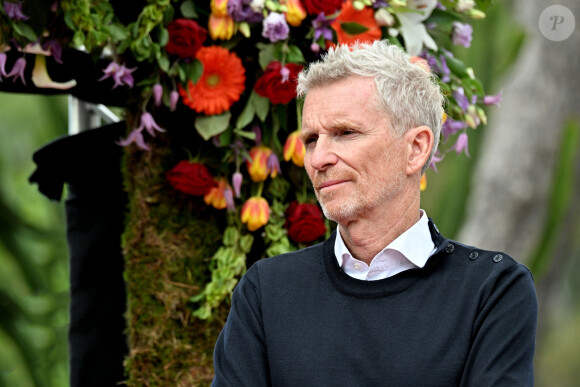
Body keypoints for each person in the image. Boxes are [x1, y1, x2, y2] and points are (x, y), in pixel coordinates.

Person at [211, 40, 537, 386]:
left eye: (345, 133)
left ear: (415, 148)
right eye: (310, 139)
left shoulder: (493, 290)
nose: (318, 158)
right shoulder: (268, 290)